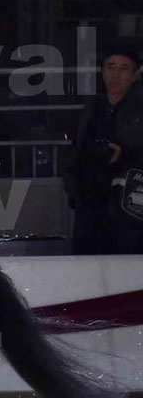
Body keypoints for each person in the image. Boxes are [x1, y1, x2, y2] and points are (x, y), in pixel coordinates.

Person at [63, 45, 143, 255]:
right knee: (87, 262)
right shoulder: (92, 105)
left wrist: (125, 154)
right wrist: (73, 186)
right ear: (103, 71)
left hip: (129, 203)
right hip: (90, 198)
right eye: (111, 67)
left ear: (135, 75)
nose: (115, 74)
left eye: (124, 68)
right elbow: (76, 150)